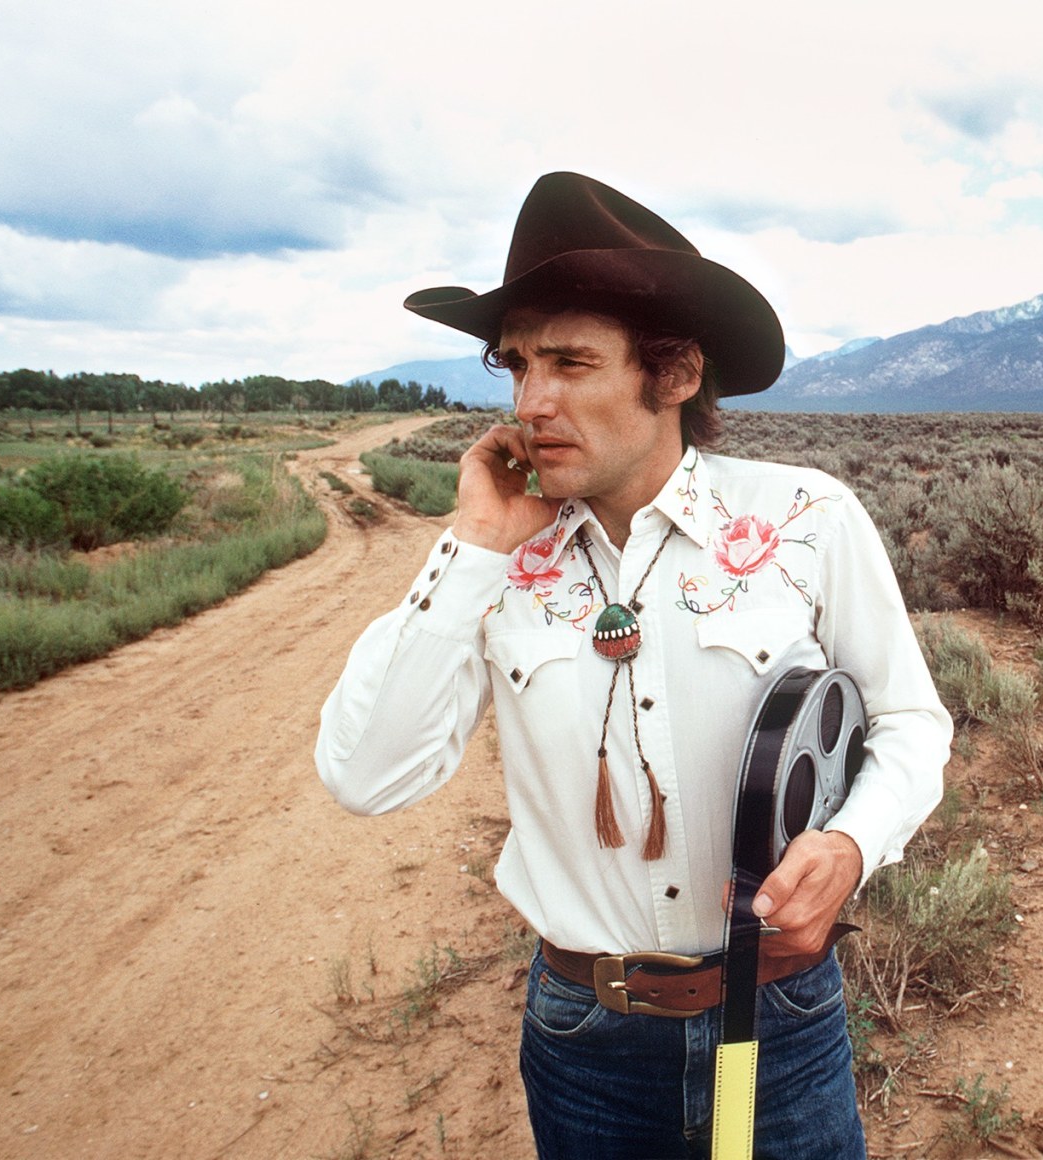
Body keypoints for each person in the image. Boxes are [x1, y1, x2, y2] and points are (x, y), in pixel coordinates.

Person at [316, 171, 951, 1159]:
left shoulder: (802, 519)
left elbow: (911, 722)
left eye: (570, 362)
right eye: (517, 365)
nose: (532, 401)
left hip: (775, 1022)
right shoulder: (495, 560)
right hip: (584, 1037)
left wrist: (852, 845)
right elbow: (365, 772)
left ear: (675, 374)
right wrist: (476, 541)